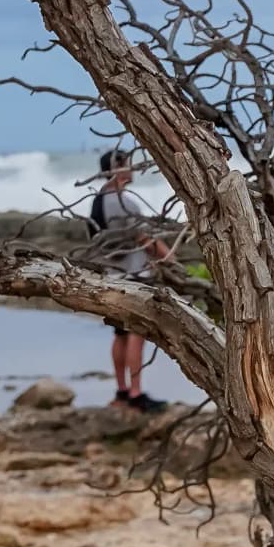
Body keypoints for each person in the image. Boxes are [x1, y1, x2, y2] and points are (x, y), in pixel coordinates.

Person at [86, 147, 170, 412]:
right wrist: (173, 261)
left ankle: (122, 391)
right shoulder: (124, 203)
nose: (132, 168)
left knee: (120, 334)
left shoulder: (98, 201)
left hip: (112, 277)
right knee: (136, 334)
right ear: (117, 167)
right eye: (128, 164)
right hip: (134, 277)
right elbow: (147, 241)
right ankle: (136, 394)